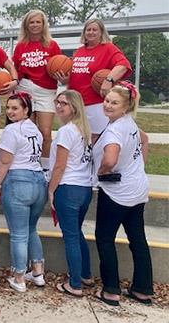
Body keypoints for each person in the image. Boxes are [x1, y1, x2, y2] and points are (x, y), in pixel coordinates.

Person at [92, 84, 153, 306]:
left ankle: (111, 290)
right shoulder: (130, 124)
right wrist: (138, 167)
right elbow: (145, 140)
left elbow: (110, 158)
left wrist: (102, 170)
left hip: (116, 193)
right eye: (107, 100)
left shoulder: (115, 130)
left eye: (114, 102)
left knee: (105, 238)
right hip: (137, 189)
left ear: (126, 106)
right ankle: (143, 289)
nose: (108, 105)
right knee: (137, 239)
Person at [0, 92, 47, 293]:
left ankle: (18, 277)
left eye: (15, 108)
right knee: (31, 229)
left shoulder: (11, 130)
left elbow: (5, 161)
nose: (10, 111)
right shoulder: (36, 130)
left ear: (26, 110)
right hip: (38, 180)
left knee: (18, 234)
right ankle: (38, 272)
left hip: (19, 181)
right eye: (8, 108)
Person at [48, 90, 94, 297]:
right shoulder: (83, 130)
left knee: (71, 237)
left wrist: (51, 189)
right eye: (57, 102)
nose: (58, 106)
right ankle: (85, 274)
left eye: (63, 104)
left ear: (74, 107)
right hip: (84, 188)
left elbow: (60, 166)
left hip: (68, 188)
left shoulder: (67, 131)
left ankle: (75, 284)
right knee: (77, 233)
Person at [64, 19, 132, 141]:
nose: (91, 32)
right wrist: (65, 80)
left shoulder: (108, 48)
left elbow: (123, 65)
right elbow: (78, 75)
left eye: (95, 30)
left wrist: (109, 80)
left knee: (96, 139)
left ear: (101, 32)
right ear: (84, 33)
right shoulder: (79, 51)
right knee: (76, 139)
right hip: (76, 103)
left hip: (96, 103)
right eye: (88, 30)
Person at [13, 10, 62, 165]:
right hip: (25, 87)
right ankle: (28, 163)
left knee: (45, 133)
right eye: (31, 22)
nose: (34, 25)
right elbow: (16, 69)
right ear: (26, 25)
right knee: (27, 131)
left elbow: (60, 68)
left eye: (37, 22)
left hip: (46, 90)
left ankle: (45, 166)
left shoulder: (52, 45)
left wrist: (63, 77)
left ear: (43, 24)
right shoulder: (21, 46)